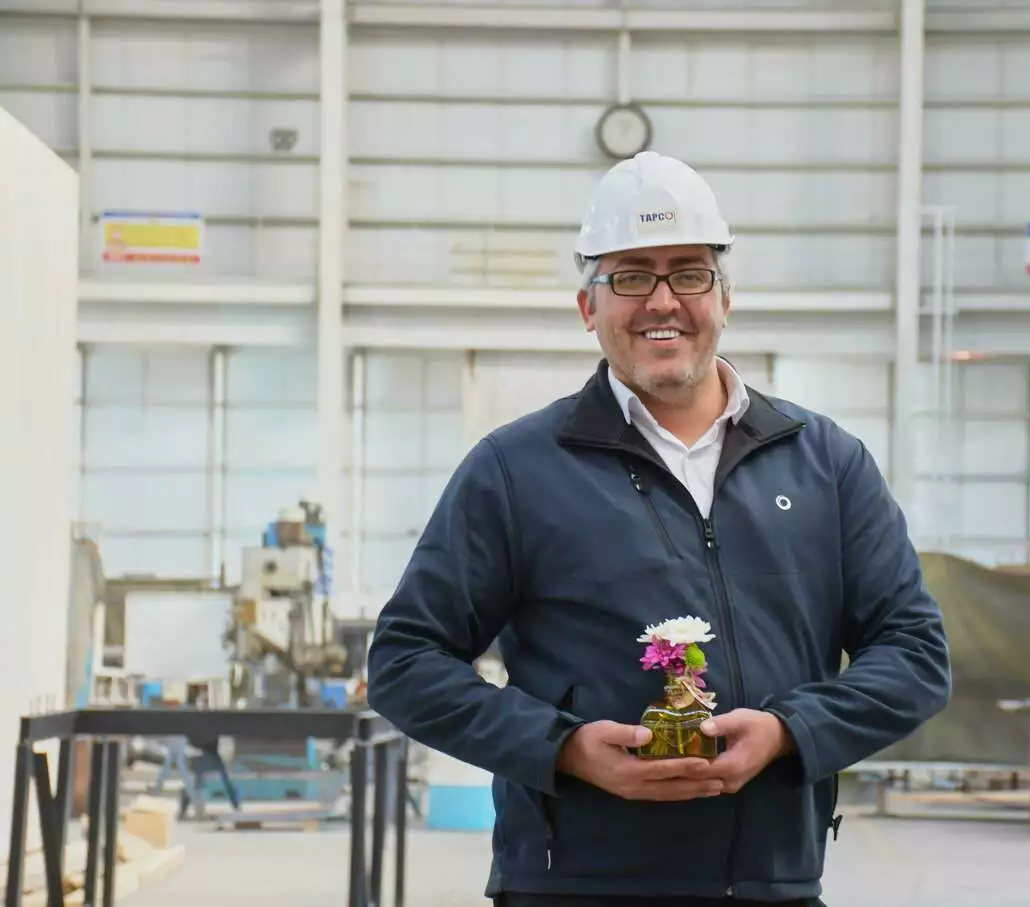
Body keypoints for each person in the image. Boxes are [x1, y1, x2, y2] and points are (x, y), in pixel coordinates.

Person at [366, 151, 951, 906]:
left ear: (725, 297)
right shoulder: (515, 470)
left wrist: (789, 732)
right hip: (572, 888)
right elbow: (406, 661)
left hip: (770, 884)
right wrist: (564, 748)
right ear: (589, 308)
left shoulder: (826, 464)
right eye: (631, 276)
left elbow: (914, 653)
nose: (662, 301)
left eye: (689, 273)